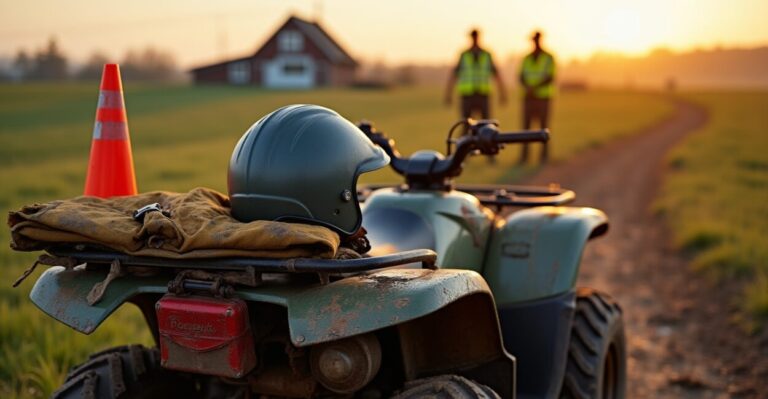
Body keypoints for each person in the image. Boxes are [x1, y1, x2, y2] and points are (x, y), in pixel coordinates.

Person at [444, 29, 507, 121]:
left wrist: (502, 93)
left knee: (486, 125)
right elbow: (454, 75)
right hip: (467, 95)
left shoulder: (486, 55)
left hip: (483, 95)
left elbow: (497, 75)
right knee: (466, 124)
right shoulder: (464, 55)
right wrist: (448, 94)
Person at [519, 31, 556, 164]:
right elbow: (521, 76)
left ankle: (544, 157)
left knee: (543, 128)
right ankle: (524, 157)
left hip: (543, 98)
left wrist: (534, 88)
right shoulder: (527, 58)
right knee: (525, 130)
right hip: (528, 98)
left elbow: (550, 77)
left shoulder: (548, 58)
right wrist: (528, 88)